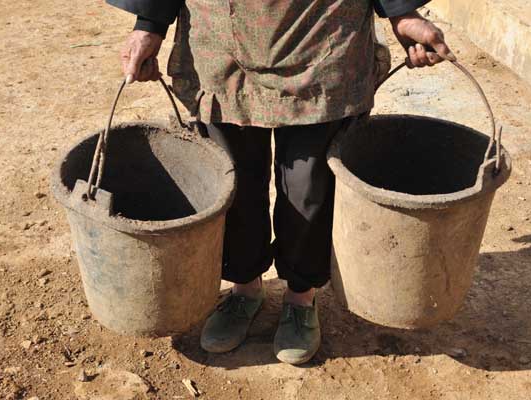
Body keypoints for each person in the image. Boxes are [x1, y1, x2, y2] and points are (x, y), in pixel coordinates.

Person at [107, 0, 454, 365]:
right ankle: (244, 287)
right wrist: (149, 21)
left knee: (309, 186)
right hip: (221, 34)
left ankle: (301, 295)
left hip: (322, 33)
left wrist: (402, 12)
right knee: (232, 179)